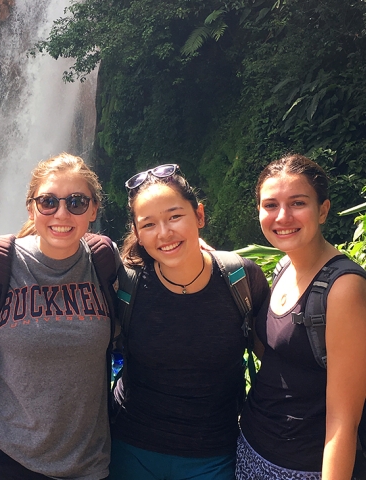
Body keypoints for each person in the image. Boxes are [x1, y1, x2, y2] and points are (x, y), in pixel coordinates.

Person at [109, 164, 270, 480]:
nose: (164, 233)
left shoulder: (240, 279)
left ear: (199, 215)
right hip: (130, 447)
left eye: (174, 217)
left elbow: (278, 361)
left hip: (212, 455)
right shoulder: (126, 285)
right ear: (138, 233)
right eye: (149, 224)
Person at [0, 152, 121, 480]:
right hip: (3, 455)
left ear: (93, 209)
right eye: (48, 201)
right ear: (31, 208)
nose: (61, 213)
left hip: (88, 462)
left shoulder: (105, 261)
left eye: (77, 202)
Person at [236, 154, 366, 479]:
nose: (282, 216)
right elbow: (276, 353)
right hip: (250, 446)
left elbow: (343, 420)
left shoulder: (343, 288)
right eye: (270, 205)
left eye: (297, 203)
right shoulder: (283, 267)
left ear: (323, 210)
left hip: (302, 466)